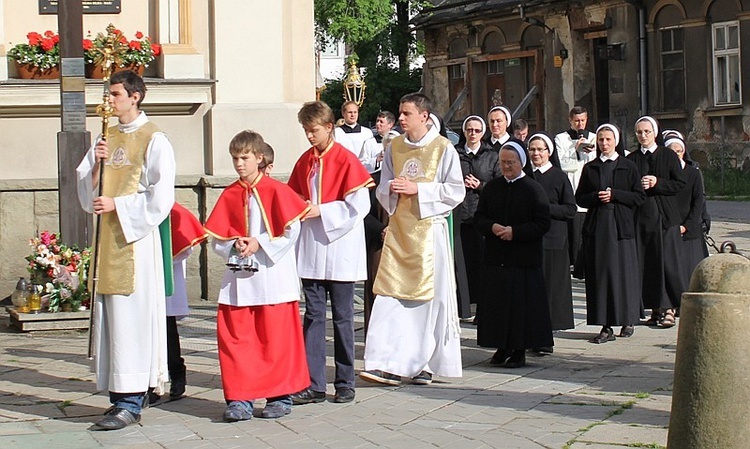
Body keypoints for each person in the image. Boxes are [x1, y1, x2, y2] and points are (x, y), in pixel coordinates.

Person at [76, 70, 175, 430]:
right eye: (109, 93)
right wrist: (98, 162)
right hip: (108, 242)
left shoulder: (155, 138)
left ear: (135, 96)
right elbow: (85, 186)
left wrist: (119, 205)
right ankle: (118, 395)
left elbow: (161, 197)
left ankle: (131, 401)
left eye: (115, 94)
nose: (110, 100)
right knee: (112, 320)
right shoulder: (107, 135)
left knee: (131, 319)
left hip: (136, 243)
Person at [204, 130, 311, 421]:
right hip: (239, 283)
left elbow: (292, 230)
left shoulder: (277, 191)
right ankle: (240, 398)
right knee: (239, 342)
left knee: (276, 341)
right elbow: (216, 239)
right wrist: (233, 243)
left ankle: (279, 396)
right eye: (235, 158)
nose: (239, 164)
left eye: (244, 158)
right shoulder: (230, 194)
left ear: (259, 158)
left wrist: (259, 242)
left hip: (273, 278)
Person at [360, 92, 465, 386]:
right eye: (400, 113)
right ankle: (386, 362)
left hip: (429, 233)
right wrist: (391, 189)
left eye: (406, 113)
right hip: (399, 232)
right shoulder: (395, 147)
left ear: (424, 116)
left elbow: (456, 191)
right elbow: (383, 189)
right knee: (389, 298)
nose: (401, 118)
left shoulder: (443, 148)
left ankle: (425, 364)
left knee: (427, 303)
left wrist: (420, 190)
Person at [288, 101, 374, 405]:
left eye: (313, 130)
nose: (309, 136)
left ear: (329, 127)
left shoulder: (347, 160)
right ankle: (312, 383)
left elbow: (359, 206)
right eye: (305, 131)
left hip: (340, 247)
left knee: (342, 317)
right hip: (311, 247)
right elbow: (294, 196)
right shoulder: (304, 161)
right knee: (312, 316)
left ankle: (345, 380)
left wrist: (320, 211)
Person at [474, 139, 552, 369]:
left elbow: (542, 222)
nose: (507, 166)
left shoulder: (533, 188)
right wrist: (491, 227)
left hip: (522, 259)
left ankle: (519, 350)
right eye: (503, 162)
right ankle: (501, 346)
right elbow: (479, 217)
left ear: (522, 162)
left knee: (521, 308)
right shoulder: (492, 187)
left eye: (511, 162)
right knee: (498, 306)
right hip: (496, 257)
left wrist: (515, 232)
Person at [575, 124, 645, 343]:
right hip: (598, 227)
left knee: (623, 274)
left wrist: (616, 195)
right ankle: (605, 325)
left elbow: (639, 197)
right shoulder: (591, 168)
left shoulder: (628, 166)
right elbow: (580, 198)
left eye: (608, 139)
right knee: (601, 275)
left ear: (616, 140)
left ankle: (627, 318)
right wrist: (596, 196)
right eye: (601, 140)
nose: (604, 144)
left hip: (621, 227)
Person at [627, 116, 686, 328]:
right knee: (648, 264)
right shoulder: (632, 159)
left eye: (647, 132)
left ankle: (669, 308)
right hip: (642, 219)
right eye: (639, 132)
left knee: (667, 264)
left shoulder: (668, 155)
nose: (643, 136)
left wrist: (657, 182)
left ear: (655, 133)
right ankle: (654, 308)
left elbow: (679, 183)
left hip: (665, 217)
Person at [528, 132, 577, 343]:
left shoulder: (559, 177)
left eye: (540, 149)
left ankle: (553, 324)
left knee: (553, 285)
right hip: (529, 239)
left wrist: (545, 209)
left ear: (549, 152)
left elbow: (570, 209)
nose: (536, 153)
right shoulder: (526, 176)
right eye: (533, 149)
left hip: (554, 239)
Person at [164, 202, 207, 401]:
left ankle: (176, 373)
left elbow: (185, 243)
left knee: (167, 329)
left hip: (165, 277)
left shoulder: (172, 210)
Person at [456, 115, 499, 314]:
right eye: (469, 130)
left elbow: (499, 185)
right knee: (463, 263)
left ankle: (483, 306)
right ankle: (465, 305)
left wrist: (480, 185)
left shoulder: (492, 156)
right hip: (461, 215)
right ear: (464, 132)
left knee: (483, 262)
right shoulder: (455, 154)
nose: (473, 134)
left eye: (477, 130)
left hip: (482, 216)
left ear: (483, 133)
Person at [554, 106, 597, 271]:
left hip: (586, 185)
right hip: (570, 184)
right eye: (577, 120)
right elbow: (561, 164)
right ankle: (572, 261)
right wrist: (574, 150)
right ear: (570, 120)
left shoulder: (593, 138)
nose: (580, 124)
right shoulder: (561, 138)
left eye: (583, 120)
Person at [665, 134, 709, 288]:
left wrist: (687, 225)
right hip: (669, 228)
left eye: (678, 151)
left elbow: (698, 202)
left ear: (683, 152)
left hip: (690, 229)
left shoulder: (693, 173)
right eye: (672, 152)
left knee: (691, 270)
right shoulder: (662, 175)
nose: (676, 155)